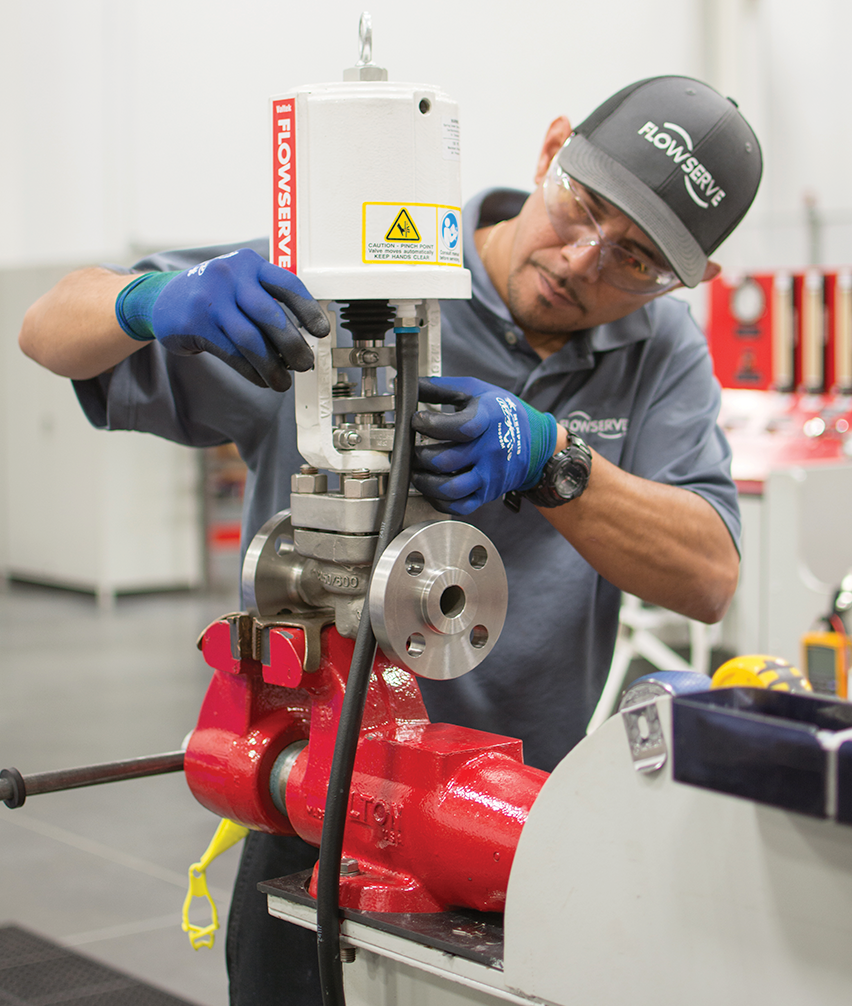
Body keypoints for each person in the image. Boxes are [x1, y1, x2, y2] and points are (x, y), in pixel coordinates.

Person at [18, 76, 761, 1006]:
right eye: (583, 206)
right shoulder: (339, 279)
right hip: (315, 805)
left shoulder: (660, 351)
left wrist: (555, 462)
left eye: (637, 259)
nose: (582, 260)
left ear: (690, 281)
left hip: (517, 816)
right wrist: (148, 302)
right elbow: (45, 330)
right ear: (552, 148)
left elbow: (708, 575)